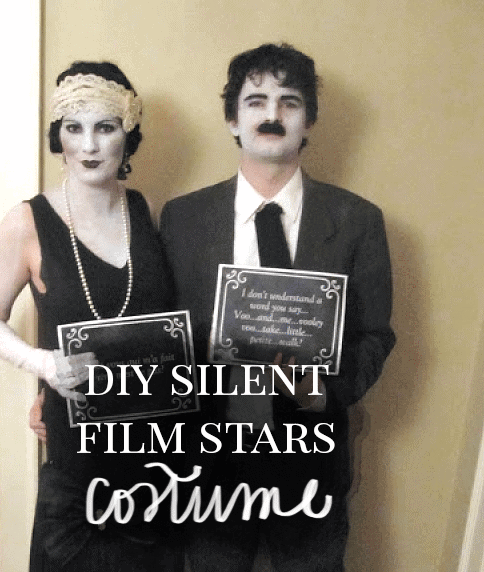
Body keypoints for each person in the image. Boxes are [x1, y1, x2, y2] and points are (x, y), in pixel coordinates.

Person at [159, 43, 396, 571]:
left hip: (311, 454)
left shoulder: (358, 221)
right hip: (208, 459)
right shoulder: (181, 218)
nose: (272, 115)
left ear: (308, 120)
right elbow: (157, 331)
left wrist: (323, 392)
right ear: (232, 119)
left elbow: (376, 336)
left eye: (289, 102)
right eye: (256, 101)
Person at [0, 61, 184, 572]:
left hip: (154, 455)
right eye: (74, 128)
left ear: (127, 135)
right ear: (59, 136)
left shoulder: (145, 211)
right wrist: (43, 365)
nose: (89, 146)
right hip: (77, 459)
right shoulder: (27, 222)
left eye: (105, 128)